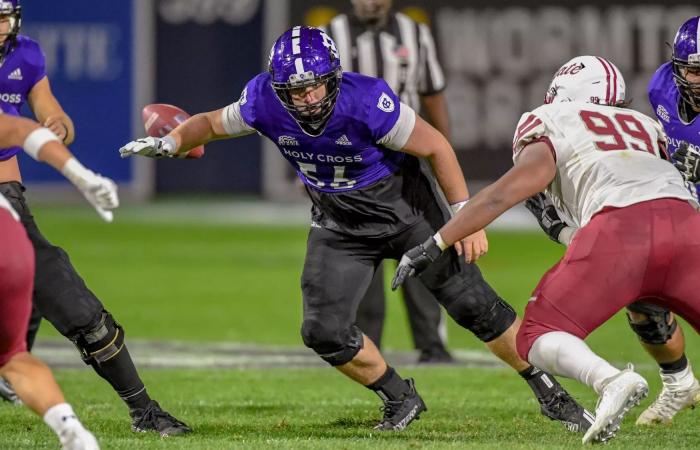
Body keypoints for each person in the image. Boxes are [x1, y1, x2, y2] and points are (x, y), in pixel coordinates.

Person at [119, 26, 593, 433]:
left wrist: (465, 215)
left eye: (314, 87)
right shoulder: (264, 99)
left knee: (476, 308)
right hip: (340, 225)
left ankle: (549, 391)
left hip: (409, 216)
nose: (306, 99)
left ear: (334, 78)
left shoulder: (367, 100)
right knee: (322, 330)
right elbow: (208, 123)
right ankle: (399, 396)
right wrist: (173, 140)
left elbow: (437, 148)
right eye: (295, 91)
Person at [392, 54, 700, 443]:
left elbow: (505, 193)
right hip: (688, 224)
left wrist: (438, 240)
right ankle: (678, 381)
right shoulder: (648, 125)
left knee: (535, 335)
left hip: (621, 230)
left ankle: (609, 381)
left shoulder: (553, 120)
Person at [0, 0, 191, 436]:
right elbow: (17, 130)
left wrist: (58, 127)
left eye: (2, 18)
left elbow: (40, 121)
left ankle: (144, 410)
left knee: (72, 301)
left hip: (7, 204)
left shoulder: (25, 54)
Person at [521, 16, 700, 428]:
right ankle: (679, 382)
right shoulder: (662, 90)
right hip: (672, 204)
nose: (697, 80)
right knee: (643, 296)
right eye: (694, 70)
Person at [325, 0, 453, 363]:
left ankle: (433, 345)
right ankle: (367, 349)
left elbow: (433, 94)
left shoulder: (415, 32)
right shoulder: (330, 36)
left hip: (408, 161)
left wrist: (443, 151)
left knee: (424, 248)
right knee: (361, 255)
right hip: (354, 162)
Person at [0, 111, 114, 449]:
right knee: (14, 358)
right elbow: (26, 131)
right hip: (11, 239)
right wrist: (83, 177)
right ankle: (72, 431)